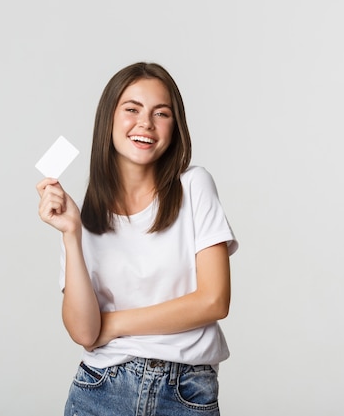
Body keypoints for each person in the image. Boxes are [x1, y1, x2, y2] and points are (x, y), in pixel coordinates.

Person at [37, 62, 238, 416]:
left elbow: (214, 301)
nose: (145, 123)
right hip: (101, 390)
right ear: (109, 118)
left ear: (175, 128)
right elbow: (85, 333)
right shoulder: (82, 214)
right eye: (132, 109)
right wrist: (71, 233)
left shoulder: (194, 186)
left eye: (161, 113)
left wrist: (113, 324)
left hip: (185, 391)